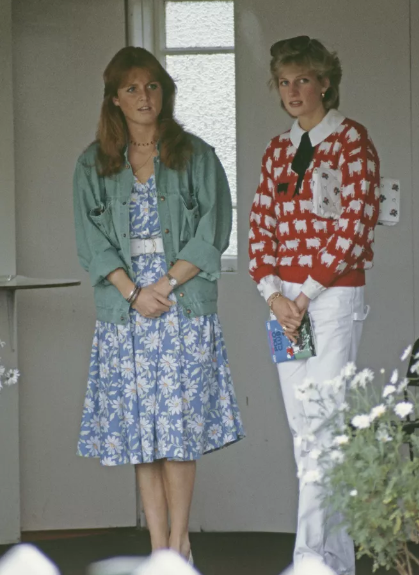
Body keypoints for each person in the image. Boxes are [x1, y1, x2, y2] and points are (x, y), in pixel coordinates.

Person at [73, 46, 245, 563]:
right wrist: (133, 292)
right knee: (139, 436)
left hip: (180, 305)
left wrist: (164, 286)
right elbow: (92, 241)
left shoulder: (197, 155)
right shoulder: (93, 163)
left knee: (177, 432)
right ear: (114, 99)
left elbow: (212, 230)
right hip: (126, 312)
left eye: (152, 86)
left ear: (165, 92)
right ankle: (157, 550)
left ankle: (179, 543)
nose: (144, 96)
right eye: (131, 88)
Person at [248, 36, 380, 572]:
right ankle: (334, 559)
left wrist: (303, 293)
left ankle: (306, 557)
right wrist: (273, 295)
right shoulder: (277, 150)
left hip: (332, 296)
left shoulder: (352, 141)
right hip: (285, 306)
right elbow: (260, 228)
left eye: (302, 79)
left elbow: (354, 224)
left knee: (323, 425)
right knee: (307, 432)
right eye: (284, 82)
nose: (292, 91)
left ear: (325, 82)